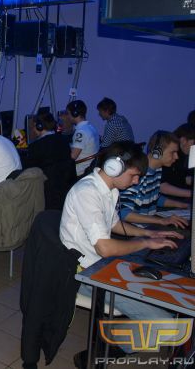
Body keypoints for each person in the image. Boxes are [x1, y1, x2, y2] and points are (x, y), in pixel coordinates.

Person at [59, 142, 182, 364]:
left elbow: (115, 224)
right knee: (168, 324)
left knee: (168, 295)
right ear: (115, 168)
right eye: (134, 176)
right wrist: (145, 242)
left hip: (102, 264)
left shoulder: (110, 190)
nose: (136, 181)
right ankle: (108, 348)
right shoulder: (87, 192)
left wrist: (150, 234)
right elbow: (105, 247)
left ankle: (128, 325)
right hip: (83, 272)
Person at [119, 131, 189, 228]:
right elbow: (123, 213)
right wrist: (161, 220)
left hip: (148, 226)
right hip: (135, 229)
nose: (176, 157)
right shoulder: (137, 173)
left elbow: (153, 197)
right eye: (173, 152)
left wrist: (182, 205)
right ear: (157, 152)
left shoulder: (157, 169)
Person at [24, 112, 76, 210]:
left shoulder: (35, 147)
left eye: (34, 126)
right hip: (64, 189)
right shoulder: (64, 140)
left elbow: (28, 171)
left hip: (47, 193)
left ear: (39, 127)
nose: (33, 129)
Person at [66, 100, 100, 177]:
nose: (67, 116)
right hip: (90, 167)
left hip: (80, 171)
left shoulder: (81, 132)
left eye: (68, 113)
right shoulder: (90, 127)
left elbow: (73, 157)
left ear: (75, 114)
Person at [161, 123, 195, 199]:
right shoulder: (168, 153)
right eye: (194, 143)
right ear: (183, 140)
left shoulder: (185, 154)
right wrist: (192, 193)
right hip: (168, 201)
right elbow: (162, 186)